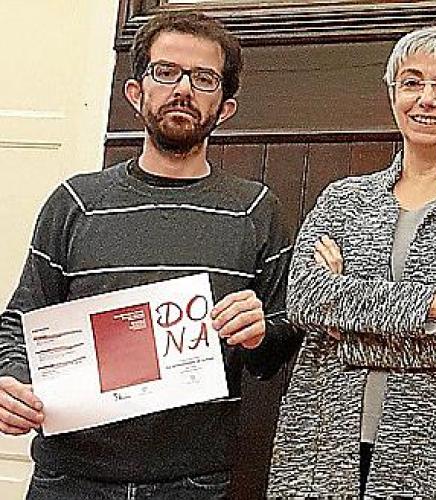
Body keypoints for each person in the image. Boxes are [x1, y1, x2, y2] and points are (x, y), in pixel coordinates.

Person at [0, 12, 299, 500]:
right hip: (68, 478)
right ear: (136, 93)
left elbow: (284, 337)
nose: (183, 89)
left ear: (225, 107)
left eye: (203, 78)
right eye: (166, 72)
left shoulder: (255, 210)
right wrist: (10, 378)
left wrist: (262, 330)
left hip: (194, 481)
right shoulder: (75, 202)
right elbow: (20, 319)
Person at [267, 25, 436, 498]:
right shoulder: (343, 198)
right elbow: (304, 300)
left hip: (435, 456)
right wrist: (434, 304)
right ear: (392, 94)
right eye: (411, 82)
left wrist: (344, 328)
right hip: (321, 447)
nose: (427, 99)